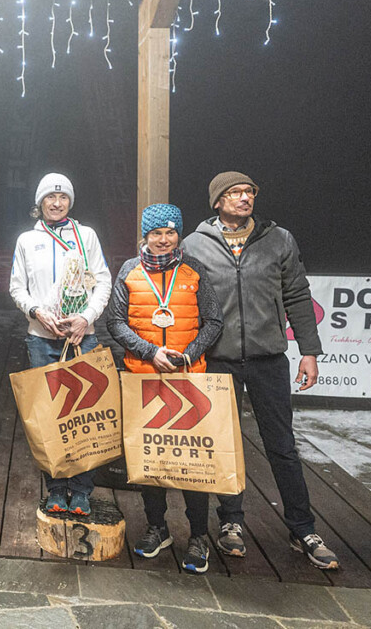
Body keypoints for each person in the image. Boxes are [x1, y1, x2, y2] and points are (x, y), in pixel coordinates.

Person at [182, 171, 339, 570]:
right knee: (225, 444)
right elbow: (183, 302)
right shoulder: (194, 245)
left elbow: (298, 295)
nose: (244, 198)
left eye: (248, 192)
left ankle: (302, 527)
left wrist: (310, 351)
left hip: (269, 358)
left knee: (282, 446)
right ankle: (231, 522)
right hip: (217, 359)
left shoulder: (279, 239)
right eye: (234, 193)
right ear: (217, 202)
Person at [106, 204, 223, 574]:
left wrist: (187, 355)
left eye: (171, 233)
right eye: (156, 233)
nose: (163, 240)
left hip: (189, 380)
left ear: (179, 236)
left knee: (191, 461)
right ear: (145, 236)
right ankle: (158, 528)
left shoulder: (195, 271)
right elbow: (115, 322)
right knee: (151, 458)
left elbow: (214, 320)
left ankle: (199, 535)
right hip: (143, 376)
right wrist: (150, 351)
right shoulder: (128, 270)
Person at [9, 173, 112, 516]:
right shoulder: (27, 240)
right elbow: (17, 288)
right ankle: (55, 487)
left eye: (63, 197)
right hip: (42, 338)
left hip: (84, 335)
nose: (57, 203)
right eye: (50, 198)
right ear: (39, 203)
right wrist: (36, 312)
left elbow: (102, 281)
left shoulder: (87, 237)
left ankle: (82, 490)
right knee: (50, 416)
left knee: (86, 416)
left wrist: (87, 317)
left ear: (70, 201)